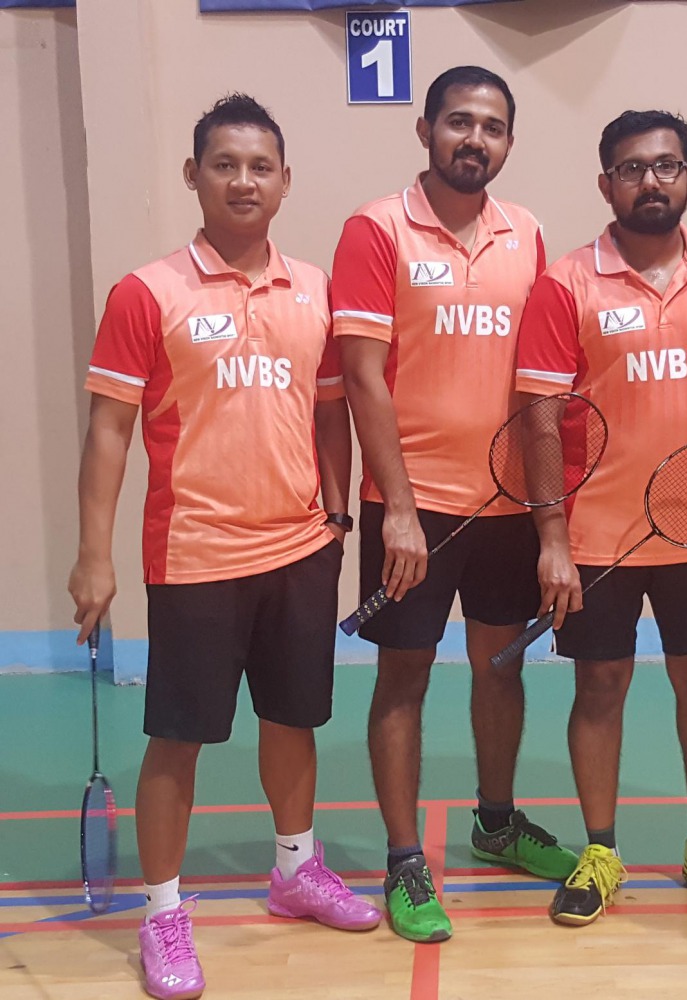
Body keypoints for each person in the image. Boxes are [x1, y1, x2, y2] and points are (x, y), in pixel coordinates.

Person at [68, 94, 379, 1000]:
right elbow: (109, 431)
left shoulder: (314, 288)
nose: (244, 180)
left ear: (284, 182)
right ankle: (163, 912)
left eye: (260, 167)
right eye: (224, 164)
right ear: (194, 176)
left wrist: (333, 516)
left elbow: (331, 409)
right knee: (178, 737)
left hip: (299, 549)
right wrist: (94, 555)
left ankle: (295, 869)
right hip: (196, 551)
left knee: (293, 720)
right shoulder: (148, 292)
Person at [330, 66, 578, 944]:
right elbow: (362, 377)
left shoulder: (528, 233)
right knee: (403, 676)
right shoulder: (376, 229)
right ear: (426, 129)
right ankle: (405, 860)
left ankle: (496, 823)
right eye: (459, 121)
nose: (475, 139)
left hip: (505, 505)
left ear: (508, 141)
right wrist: (396, 508)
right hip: (414, 506)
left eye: (492, 126)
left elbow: (538, 381)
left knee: (500, 667)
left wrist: (548, 517)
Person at [514, 109, 687, 926]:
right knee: (599, 685)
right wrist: (551, 539)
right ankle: (600, 850)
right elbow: (538, 419)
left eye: (665, 166)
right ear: (606, 185)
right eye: (631, 169)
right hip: (597, 533)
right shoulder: (566, 282)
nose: (650, 181)